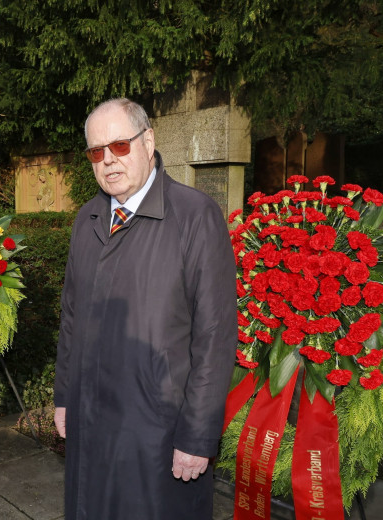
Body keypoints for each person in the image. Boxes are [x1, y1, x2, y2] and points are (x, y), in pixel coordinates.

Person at [53, 98, 238, 519]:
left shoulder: (195, 216)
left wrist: (197, 436)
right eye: (96, 152)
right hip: (90, 422)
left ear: (148, 141)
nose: (108, 161)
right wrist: (64, 396)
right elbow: (72, 318)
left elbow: (215, 337)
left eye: (119, 145)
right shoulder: (88, 218)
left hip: (158, 435)